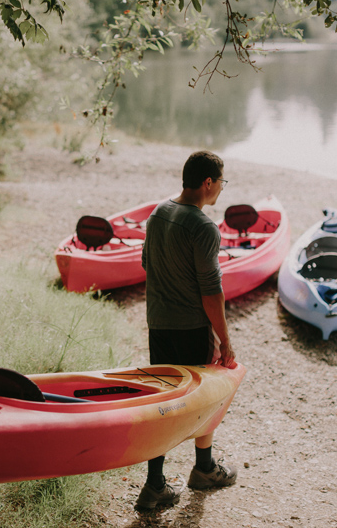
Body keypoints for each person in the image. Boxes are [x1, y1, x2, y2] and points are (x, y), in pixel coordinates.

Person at [135, 150, 238, 510]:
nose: (222, 189)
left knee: (162, 402)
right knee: (206, 396)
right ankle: (205, 469)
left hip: (158, 323)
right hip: (192, 328)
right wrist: (225, 341)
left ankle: (154, 485)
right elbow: (212, 292)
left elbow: (147, 262)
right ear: (208, 182)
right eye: (222, 182)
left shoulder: (157, 213)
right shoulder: (204, 227)